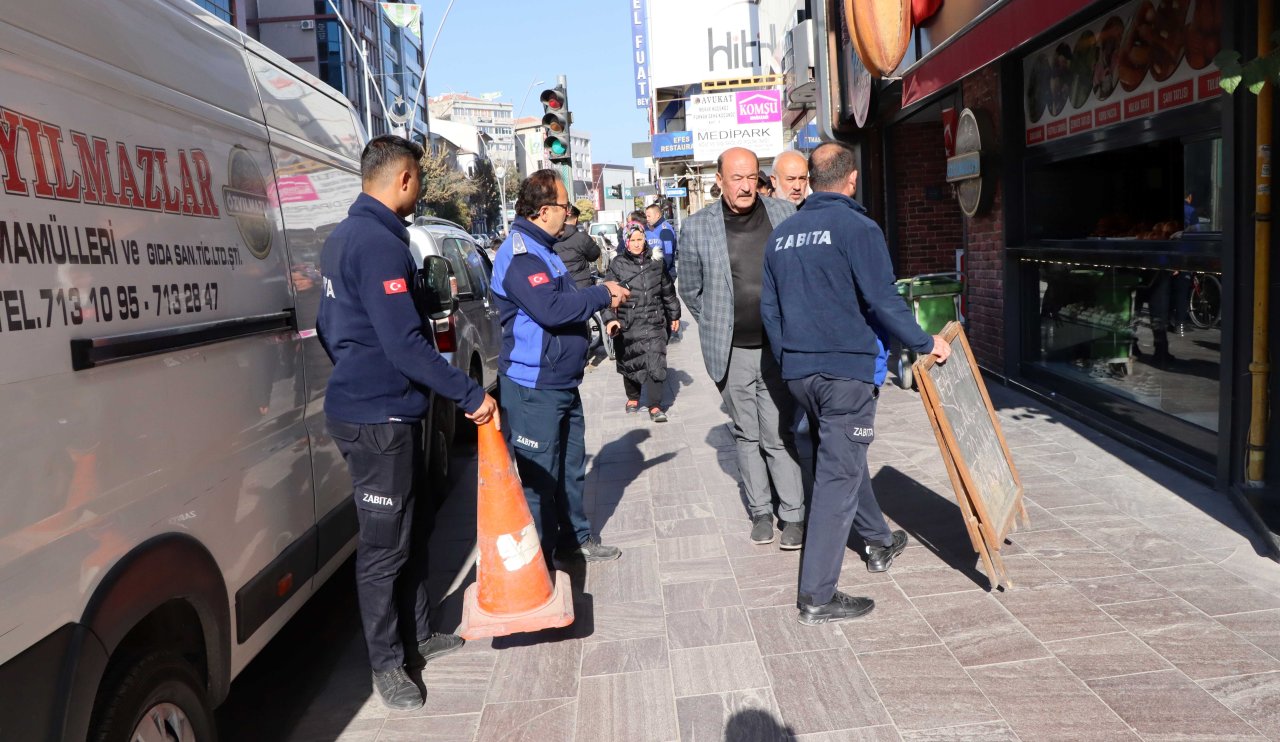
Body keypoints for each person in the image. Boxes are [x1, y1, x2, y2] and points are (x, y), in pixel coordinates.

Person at [316, 134, 498, 710]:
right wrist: (469, 393)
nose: (420, 185)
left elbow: (329, 329)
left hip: (388, 407)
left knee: (415, 529)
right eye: (419, 176)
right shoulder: (375, 243)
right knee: (383, 550)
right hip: (378, 418)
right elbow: (405, 343)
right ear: (402, 179)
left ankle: (419, 634)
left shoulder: (347, 236)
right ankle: (388, 665)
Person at [760, 142, 952, 626]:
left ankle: (879, 539)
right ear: (850, 181)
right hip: (844, 373)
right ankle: (817, 595)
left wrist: (789, 362)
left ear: (811, 180)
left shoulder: (783, 235)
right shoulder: (858, 228)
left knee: (841, 454)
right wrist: (924, 340)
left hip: (802, 373)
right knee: (837, 477)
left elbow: (771, 310)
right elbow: (884, 300)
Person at [490, 169, 630, 564]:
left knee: (570, 468)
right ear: (545, 209)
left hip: (561, 381)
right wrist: (603, 293)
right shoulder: (520, 253)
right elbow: (551, 310)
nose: (570, 215)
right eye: (566, 207)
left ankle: (575, 540)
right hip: (534, 387)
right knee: (539, 478)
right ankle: (539, 562)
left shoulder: (545, 248)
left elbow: (564, 301)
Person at [678, 147, 806, 550]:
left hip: (778, 348)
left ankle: (794, 514)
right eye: (737, 178)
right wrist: (719, 323)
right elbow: (690, 290)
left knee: (779, 432)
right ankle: (761, 513)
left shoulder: (784, 216)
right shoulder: (698, 228)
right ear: (719, 180)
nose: (746, 185)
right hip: (731, 352)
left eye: (751, 176)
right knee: (746, 434)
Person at [604, 224, 681, 422]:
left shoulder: (656, 262)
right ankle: (633, 396)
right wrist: (611, 320)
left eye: (640, 239)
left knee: (656, 362)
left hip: (655, 322)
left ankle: (655, 406)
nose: (637, 244)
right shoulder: (617, 264)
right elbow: (607, 295)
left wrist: (674, 315)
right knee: (631, 361)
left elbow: (667, 291)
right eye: (633, 240)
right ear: (626, 242)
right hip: (628, 322)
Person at [555, 204, 601, 289]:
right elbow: (594, 254)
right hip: (581, 287)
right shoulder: (581, 237)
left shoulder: (549, 237)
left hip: (558, 286)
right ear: (576, 219)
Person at [644, 202, 678, 277]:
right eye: (646, 216)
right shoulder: (647, 229)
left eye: (649, 216)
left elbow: (668, 255)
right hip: (651, 273)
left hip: (664, 274)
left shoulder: (665, 230)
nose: (647, 219)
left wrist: (660, 273)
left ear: (657, 215)